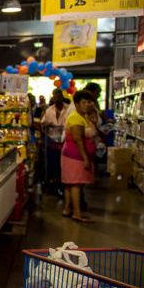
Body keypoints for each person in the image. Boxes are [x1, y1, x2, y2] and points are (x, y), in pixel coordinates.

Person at [61, 90, 97, 223]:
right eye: (84, 102)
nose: (87, 105)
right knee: (76, 184)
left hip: (73, 155)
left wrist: (93, 122)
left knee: (70, 183)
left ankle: (67, 208)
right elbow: (78, 139)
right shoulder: (75, 118)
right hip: (76, 156)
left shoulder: (83, 117)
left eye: (89, 102)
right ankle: (77, 213)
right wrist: (85, 158)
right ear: (76, 104)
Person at [42, 88, 70, 195]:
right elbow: (42, 124)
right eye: (55, 97)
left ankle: (63, 183)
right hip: (52, 141)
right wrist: (47, 125)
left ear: (62, 97)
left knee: (63, 163)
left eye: (59, 97)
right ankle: (54, 183)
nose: (57, 99)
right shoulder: (49, 110)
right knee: (53, 163)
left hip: (65, 140)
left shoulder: (68, 109)